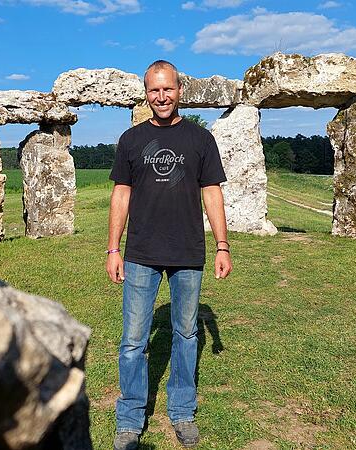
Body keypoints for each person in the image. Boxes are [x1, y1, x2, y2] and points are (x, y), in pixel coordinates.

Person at [106, 60, 232, 450]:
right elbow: (121, 194)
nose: (161, 97)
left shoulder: (200, 139)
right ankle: (129, 417)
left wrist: (223, 245)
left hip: (188, 250)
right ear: (146, 93)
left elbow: (212, 192)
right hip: (141, 251)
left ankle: (182, 411)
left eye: (168, 89)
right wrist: (113, 248)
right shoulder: (130, 140)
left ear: (180, 90)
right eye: (153, 90)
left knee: (186, 334)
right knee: (133, 339)